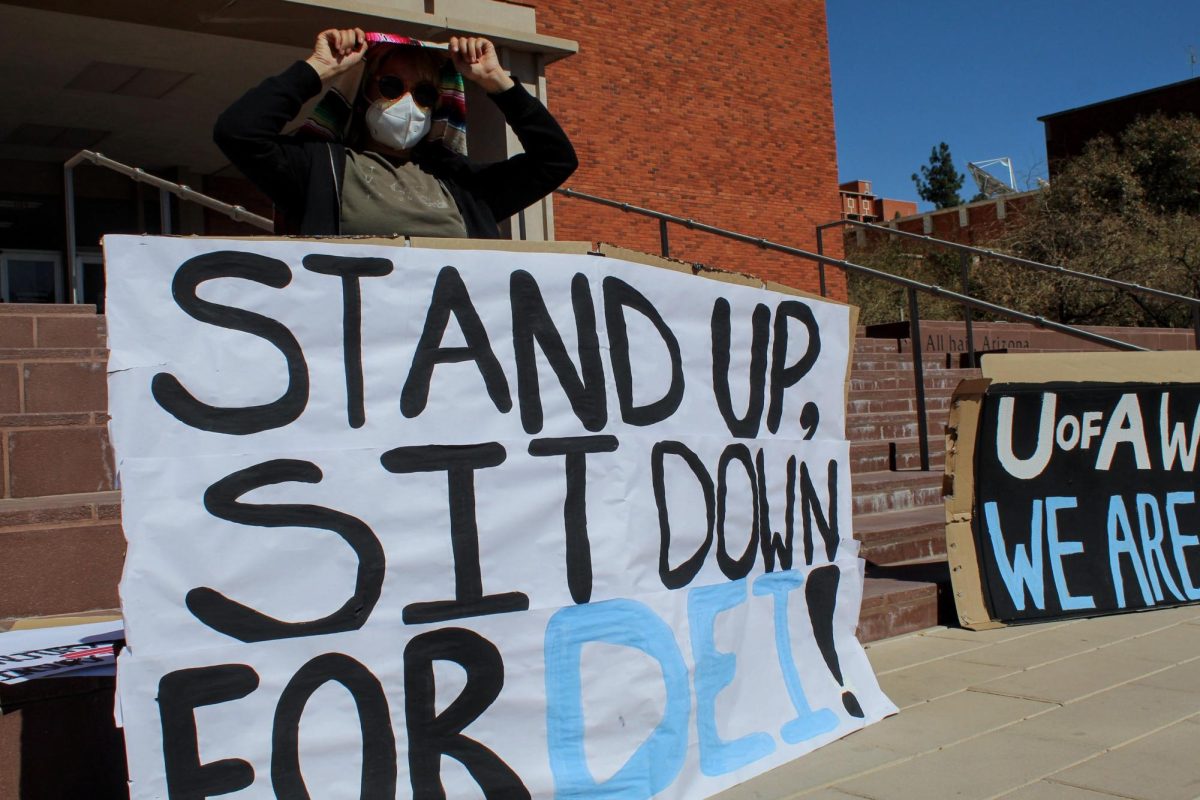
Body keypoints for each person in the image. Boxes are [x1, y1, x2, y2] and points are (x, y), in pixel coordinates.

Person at [214, 28, 577, 238]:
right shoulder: (319, 170)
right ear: (362, 93)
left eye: (423, 94)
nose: (408, 103)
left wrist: (497, 83)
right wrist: (318, 68)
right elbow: (238, 132)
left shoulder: (464, 185)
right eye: (391, 86)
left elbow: (555, 160)